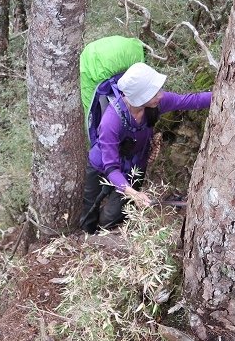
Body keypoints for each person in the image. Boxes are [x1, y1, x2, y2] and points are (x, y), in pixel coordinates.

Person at [79, 62, 212, 234]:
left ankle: (104, 229)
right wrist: (133, 193)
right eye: (155, 93)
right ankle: (87, 236)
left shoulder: (155, 104)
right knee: (89, 212)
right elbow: (110, 167)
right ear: (140, 97)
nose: (161, 95)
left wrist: (223, 94)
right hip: (101, 166)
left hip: (134, 165)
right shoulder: (111, 121)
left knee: (110, 218)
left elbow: (189, 100)